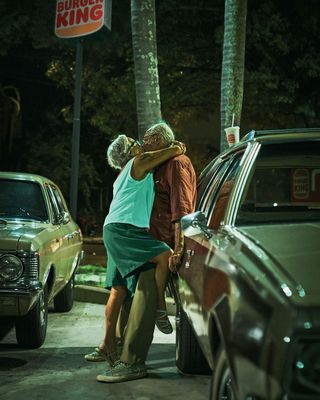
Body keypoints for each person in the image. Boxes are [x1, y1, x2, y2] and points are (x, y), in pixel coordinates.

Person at [95, 122, 197, 383]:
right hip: (135, 236)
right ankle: (116, 350)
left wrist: (180, 245)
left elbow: (182, 208)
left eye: (150, 138)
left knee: (140, 295)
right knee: (124, 292)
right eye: (142, 139)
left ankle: (131, 361)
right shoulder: (149, 165)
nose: (144, 142)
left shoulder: (175, 163)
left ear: (161, 140)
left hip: (152, 242)